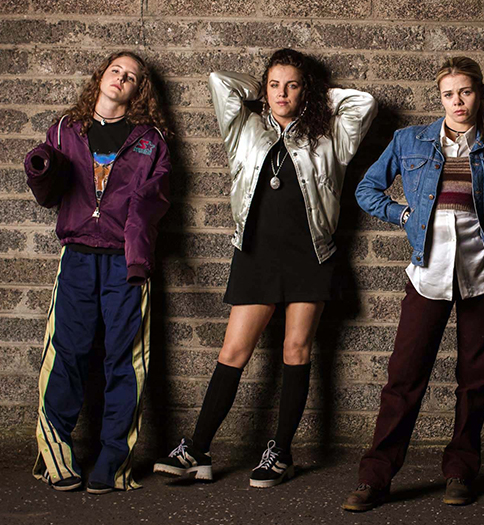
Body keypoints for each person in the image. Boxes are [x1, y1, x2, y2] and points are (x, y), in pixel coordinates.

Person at [153, 48, 376, 488]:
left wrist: (312, 99)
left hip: (311, 255)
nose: (282, 93)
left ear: (305, 91)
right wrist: (262, 94)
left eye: (292, 85)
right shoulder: (245, 130)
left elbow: (363, 103)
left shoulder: (331, 137)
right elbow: (220, 81)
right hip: (255, 253)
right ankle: (197, 449)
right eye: (275, 85)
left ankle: (280, 453)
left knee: (297, 352)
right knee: (233, 353)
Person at [343, 56, 484, 511]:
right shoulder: (409, 141)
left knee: (475, 380)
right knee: (404, 377)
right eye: (448, 94)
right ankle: (375, 478)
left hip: (483, 275)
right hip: (428, 274)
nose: (457, 102)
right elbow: (366, 189)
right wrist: (402, 213)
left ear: (479, 95)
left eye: (466, 92)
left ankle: (460, 472)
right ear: (440, 99)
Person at [25, 51, 172, 494]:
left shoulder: (150, 140)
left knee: (124, 361)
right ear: (101, 77)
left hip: (126, 261)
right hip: (77, 259)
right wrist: (40, 165)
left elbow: (156, 197)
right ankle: (56, 457)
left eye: (131, 76)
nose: (121, 78)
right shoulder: (66, 129)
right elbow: (49, 194)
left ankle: (113, 462)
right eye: (115, 70)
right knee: (65, 354)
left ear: (138, 88)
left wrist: (137, 249)